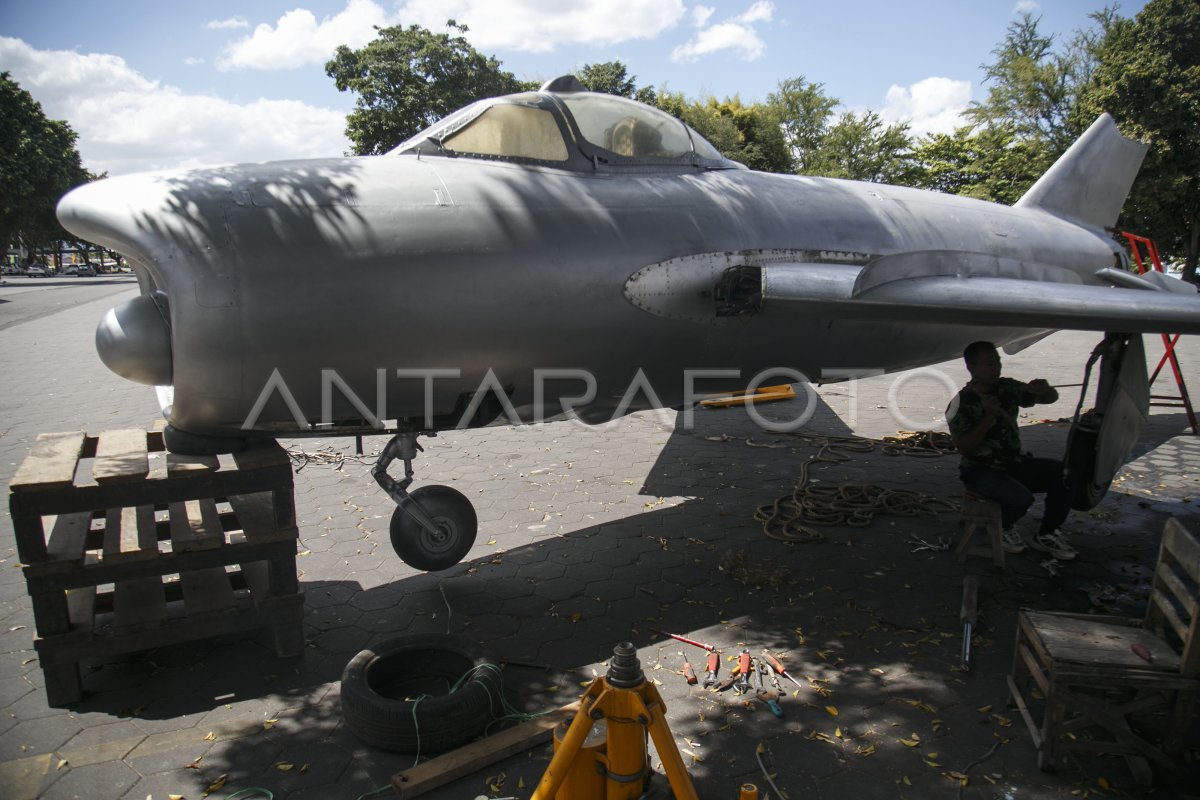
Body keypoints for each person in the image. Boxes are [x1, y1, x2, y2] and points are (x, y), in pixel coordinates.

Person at [946, 340, 1077, 559]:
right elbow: (964, 447)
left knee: (1063, 475)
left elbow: (1048, 399)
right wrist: (988, 417)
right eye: (989, 363)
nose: (996, 367)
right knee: (1020, 498)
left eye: (997, 362)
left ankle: (1046, 534)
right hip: (980, 471)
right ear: (972, 367)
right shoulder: (960, 404)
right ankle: (1004, 527)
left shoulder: (1007, 387)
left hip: (1013, 463)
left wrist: (1045, 390)